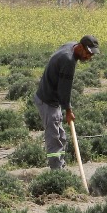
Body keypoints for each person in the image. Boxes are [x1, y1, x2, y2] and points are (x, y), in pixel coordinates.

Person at [34, 35, 99, 170]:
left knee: (61, 136)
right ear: (80, 47)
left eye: (91, 55)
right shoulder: (68, 60)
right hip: (47, 100)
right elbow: (65, 89)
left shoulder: (71, 46)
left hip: (51, 98)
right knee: (53, 137)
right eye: (87, 53)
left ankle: (60, 165)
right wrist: (68, 110)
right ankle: (56, 171)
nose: (88, 57)